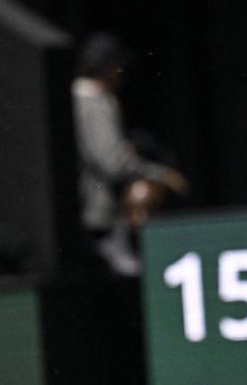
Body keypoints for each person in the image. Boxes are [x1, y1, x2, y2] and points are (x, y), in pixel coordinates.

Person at [72, 32, 188, 277]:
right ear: (108, 67)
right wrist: (163, 174)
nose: (121, 73)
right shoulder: (91, 101)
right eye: (117, 66)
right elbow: (112, 162)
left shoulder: (87, 99)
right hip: (98, 217)